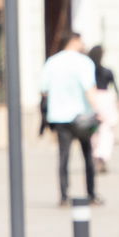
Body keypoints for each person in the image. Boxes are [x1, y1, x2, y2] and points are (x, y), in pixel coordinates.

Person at [39, 33, 98, 204]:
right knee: (87, 155)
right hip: (82, 116)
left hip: (59, 115)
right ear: (74, 42)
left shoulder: (52, 62)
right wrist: (98, 111)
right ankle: (91, 193)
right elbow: (89, 89)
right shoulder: (83, 62)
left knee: (63, 156)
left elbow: (43, 89)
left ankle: (64, 195)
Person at [88, 44, 119, 174]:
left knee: (94, 130)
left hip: (94, 98)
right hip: (106, 100)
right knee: (106, 130)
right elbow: (116, 87)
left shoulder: (89, 71)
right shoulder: (107, 72)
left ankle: (96, 155)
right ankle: (102, 156)